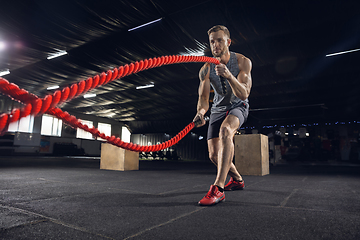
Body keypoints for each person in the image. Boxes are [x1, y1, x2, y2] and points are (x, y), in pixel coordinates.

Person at [193, 25, 252, 206]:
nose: (216, 45)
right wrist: (201, 113)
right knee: (214, 155)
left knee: (226, 131)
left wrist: (228, 75)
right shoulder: (205, 69)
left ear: (228, 42)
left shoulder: (243, 62)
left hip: (238, 106)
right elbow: (203, 99)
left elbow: (244, 94)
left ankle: (218, 188)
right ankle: (237, 179)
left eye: (219, 40)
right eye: (212, 41)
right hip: (217, 109)